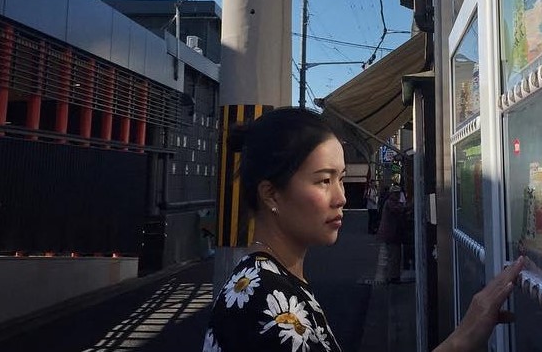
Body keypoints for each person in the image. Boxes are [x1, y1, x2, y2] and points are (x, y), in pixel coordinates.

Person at [203, 107, 525, 352]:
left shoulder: (266, 281)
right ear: (271, 193)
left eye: (341, 178)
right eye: (323, 180)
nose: (342, 197)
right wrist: (464, 337)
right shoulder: (267, 305)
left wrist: (463, 337)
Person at [378, 173, 407, 283]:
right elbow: (399, 210)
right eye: (397, 193)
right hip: (391, 233)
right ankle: (392, 277)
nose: (398, 195)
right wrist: (408, 206)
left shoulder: (390, 202)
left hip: (391, 233)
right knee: (394, 256)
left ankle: (392, 276)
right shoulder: (390, 203)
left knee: (394, 255)